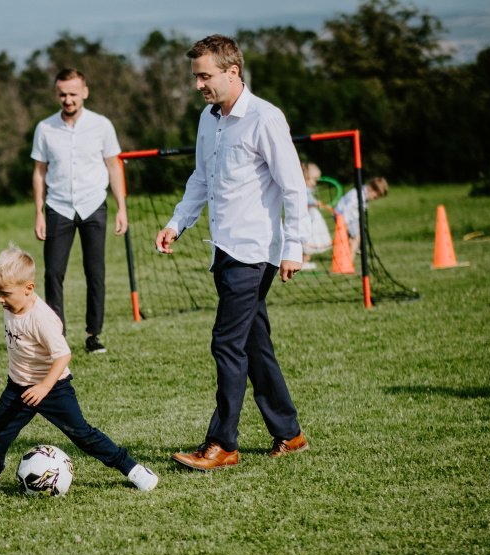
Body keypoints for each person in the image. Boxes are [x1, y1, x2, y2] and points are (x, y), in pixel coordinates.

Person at [154, 34, 310, 471]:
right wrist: (176, 223)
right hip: (222, 249)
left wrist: (294, 247)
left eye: (205, 76)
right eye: (196, 77)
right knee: (253, 344)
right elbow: (201, 178)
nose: (198, 85)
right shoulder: (208, 119)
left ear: (232, 71)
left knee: (226, 343)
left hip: (254, 251)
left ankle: (222, 444)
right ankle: (289, 433)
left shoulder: (265, 117)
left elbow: (293, 186)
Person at [0, 245, 158, 496]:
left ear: (28, 288)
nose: (0, 299)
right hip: (19, 387)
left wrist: (44, 387)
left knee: (82, 434)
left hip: (53, 388)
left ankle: (132, 469)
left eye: (5, 293)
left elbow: (63, 355)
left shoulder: (41, 318)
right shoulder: (11, 305)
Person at [31, 68, 128, 354]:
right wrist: (38, 212)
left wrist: (121, 208)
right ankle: (56, 335)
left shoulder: (102, 125)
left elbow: (114, 167)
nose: (68, 99)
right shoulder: (45, 128)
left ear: (85, 92)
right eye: (62, 94)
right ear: (56, 94)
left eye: (73, 93)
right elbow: (39, 171)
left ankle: (93, 334)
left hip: (93, 205)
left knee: (95, 272)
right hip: (58, 206)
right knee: (53, 273)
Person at [335, 177, 388, 257]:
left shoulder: (362, 193)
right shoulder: (357, 195)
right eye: (375, 197)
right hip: (344, 217)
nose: (374, 199)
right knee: (357, 237)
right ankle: (350, 258)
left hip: (349, 217)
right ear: (371, 189)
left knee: (354, 237)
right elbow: (347, 209)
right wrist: (344, 223)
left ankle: (348, 253)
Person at [300, 162, 333, 270]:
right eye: (314, 179)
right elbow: (309, 200)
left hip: (311, 217)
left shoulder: (307, 189)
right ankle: (304, 262)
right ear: (306, 177)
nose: (315, 183)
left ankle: (304, 261)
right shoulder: (303, 189)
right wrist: (317, 203)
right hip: (309, 219)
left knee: (308, 240)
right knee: (309, 240)